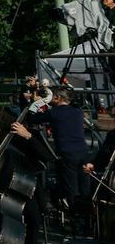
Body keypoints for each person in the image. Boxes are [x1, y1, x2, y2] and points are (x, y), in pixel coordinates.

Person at [26, 86, 87, 217]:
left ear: (58, 98)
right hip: (83, 151)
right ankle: (86, 215)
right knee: (83, 186)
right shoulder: (77, 111)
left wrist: (36, 104)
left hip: (67, 153)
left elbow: (31, 118)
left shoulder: (55, 112)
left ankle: (75, 217)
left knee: (71, 187)